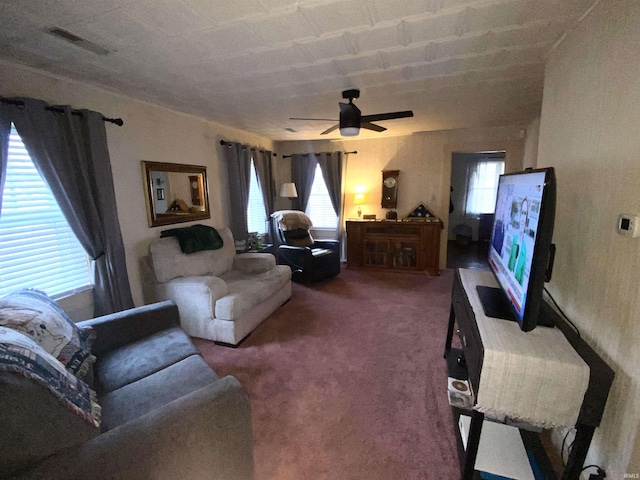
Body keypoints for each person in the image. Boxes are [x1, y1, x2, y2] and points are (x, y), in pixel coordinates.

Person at [508, 198, 529, 285]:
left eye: (525, 213)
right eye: (522, 213)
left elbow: (521, 283)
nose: (523, 217)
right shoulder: (515, 239)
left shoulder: (525, 249)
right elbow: (508, 265)